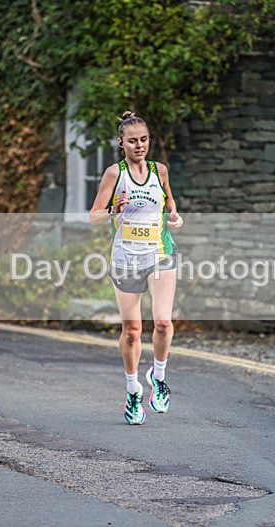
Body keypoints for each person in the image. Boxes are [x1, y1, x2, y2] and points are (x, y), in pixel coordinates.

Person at [89, 111, 184, 425]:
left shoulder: (160, 171)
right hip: (126, 258)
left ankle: (158, 376)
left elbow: (169, 202)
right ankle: (133, 391)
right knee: (131, 332)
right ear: (121, 143)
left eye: (144, 139)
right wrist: (114, 208)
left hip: (160, 253)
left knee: (163, 323)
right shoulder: (114, 175)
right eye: (133, 141)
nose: (139, 145)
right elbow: (94, 217)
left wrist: (175, 216)